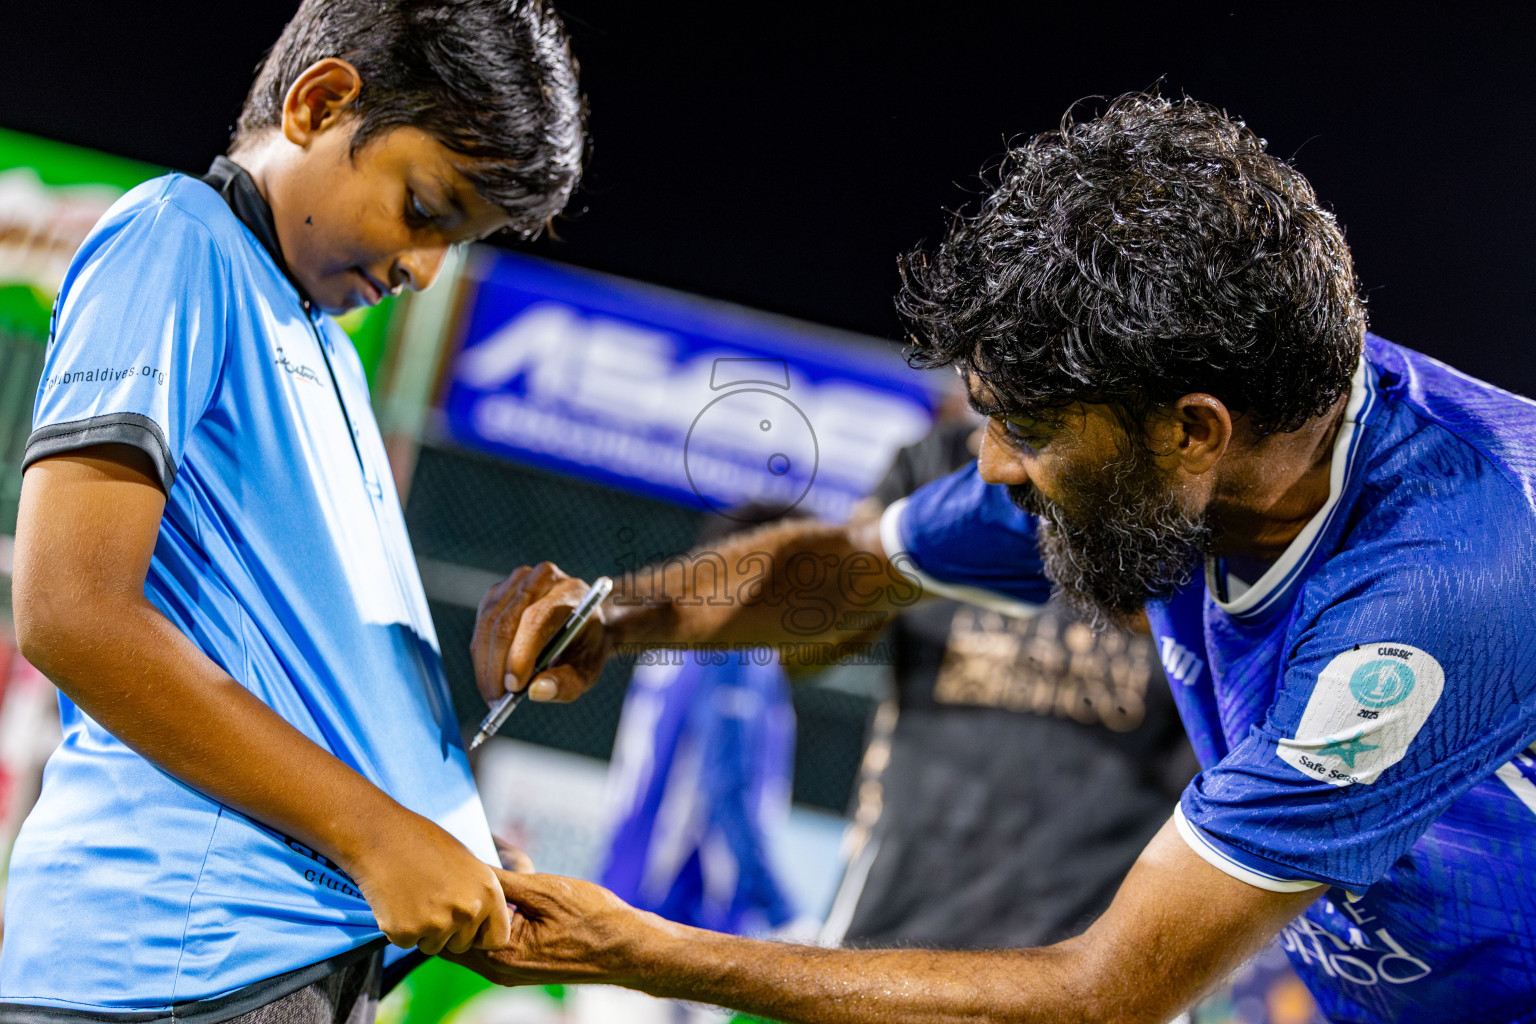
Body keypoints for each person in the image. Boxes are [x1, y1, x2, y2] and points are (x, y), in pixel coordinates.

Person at [460, 94, 1536, 1023]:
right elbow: (852, 563)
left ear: (1192, 432)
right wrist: (613, 614)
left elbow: (1107, 992)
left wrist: (633, 948)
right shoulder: (1188, 438)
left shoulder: (1430, 595)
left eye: (1023, 428)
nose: (992, 465)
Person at [0, 1, 582, 1019]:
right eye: (423, 208)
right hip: (172, 968)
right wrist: (377, 831)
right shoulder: (175, 238)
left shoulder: (326, 354)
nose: (421, 267)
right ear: (320, 103)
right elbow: (70, 611)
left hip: (273, 966)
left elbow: (291, 661)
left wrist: (439, 806)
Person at [823, 418, 1197, 951]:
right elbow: (806, 651)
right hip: (891, 928)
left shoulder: (1185, 488)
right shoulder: (939, 467)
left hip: (1090, 961)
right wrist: (896, 563)